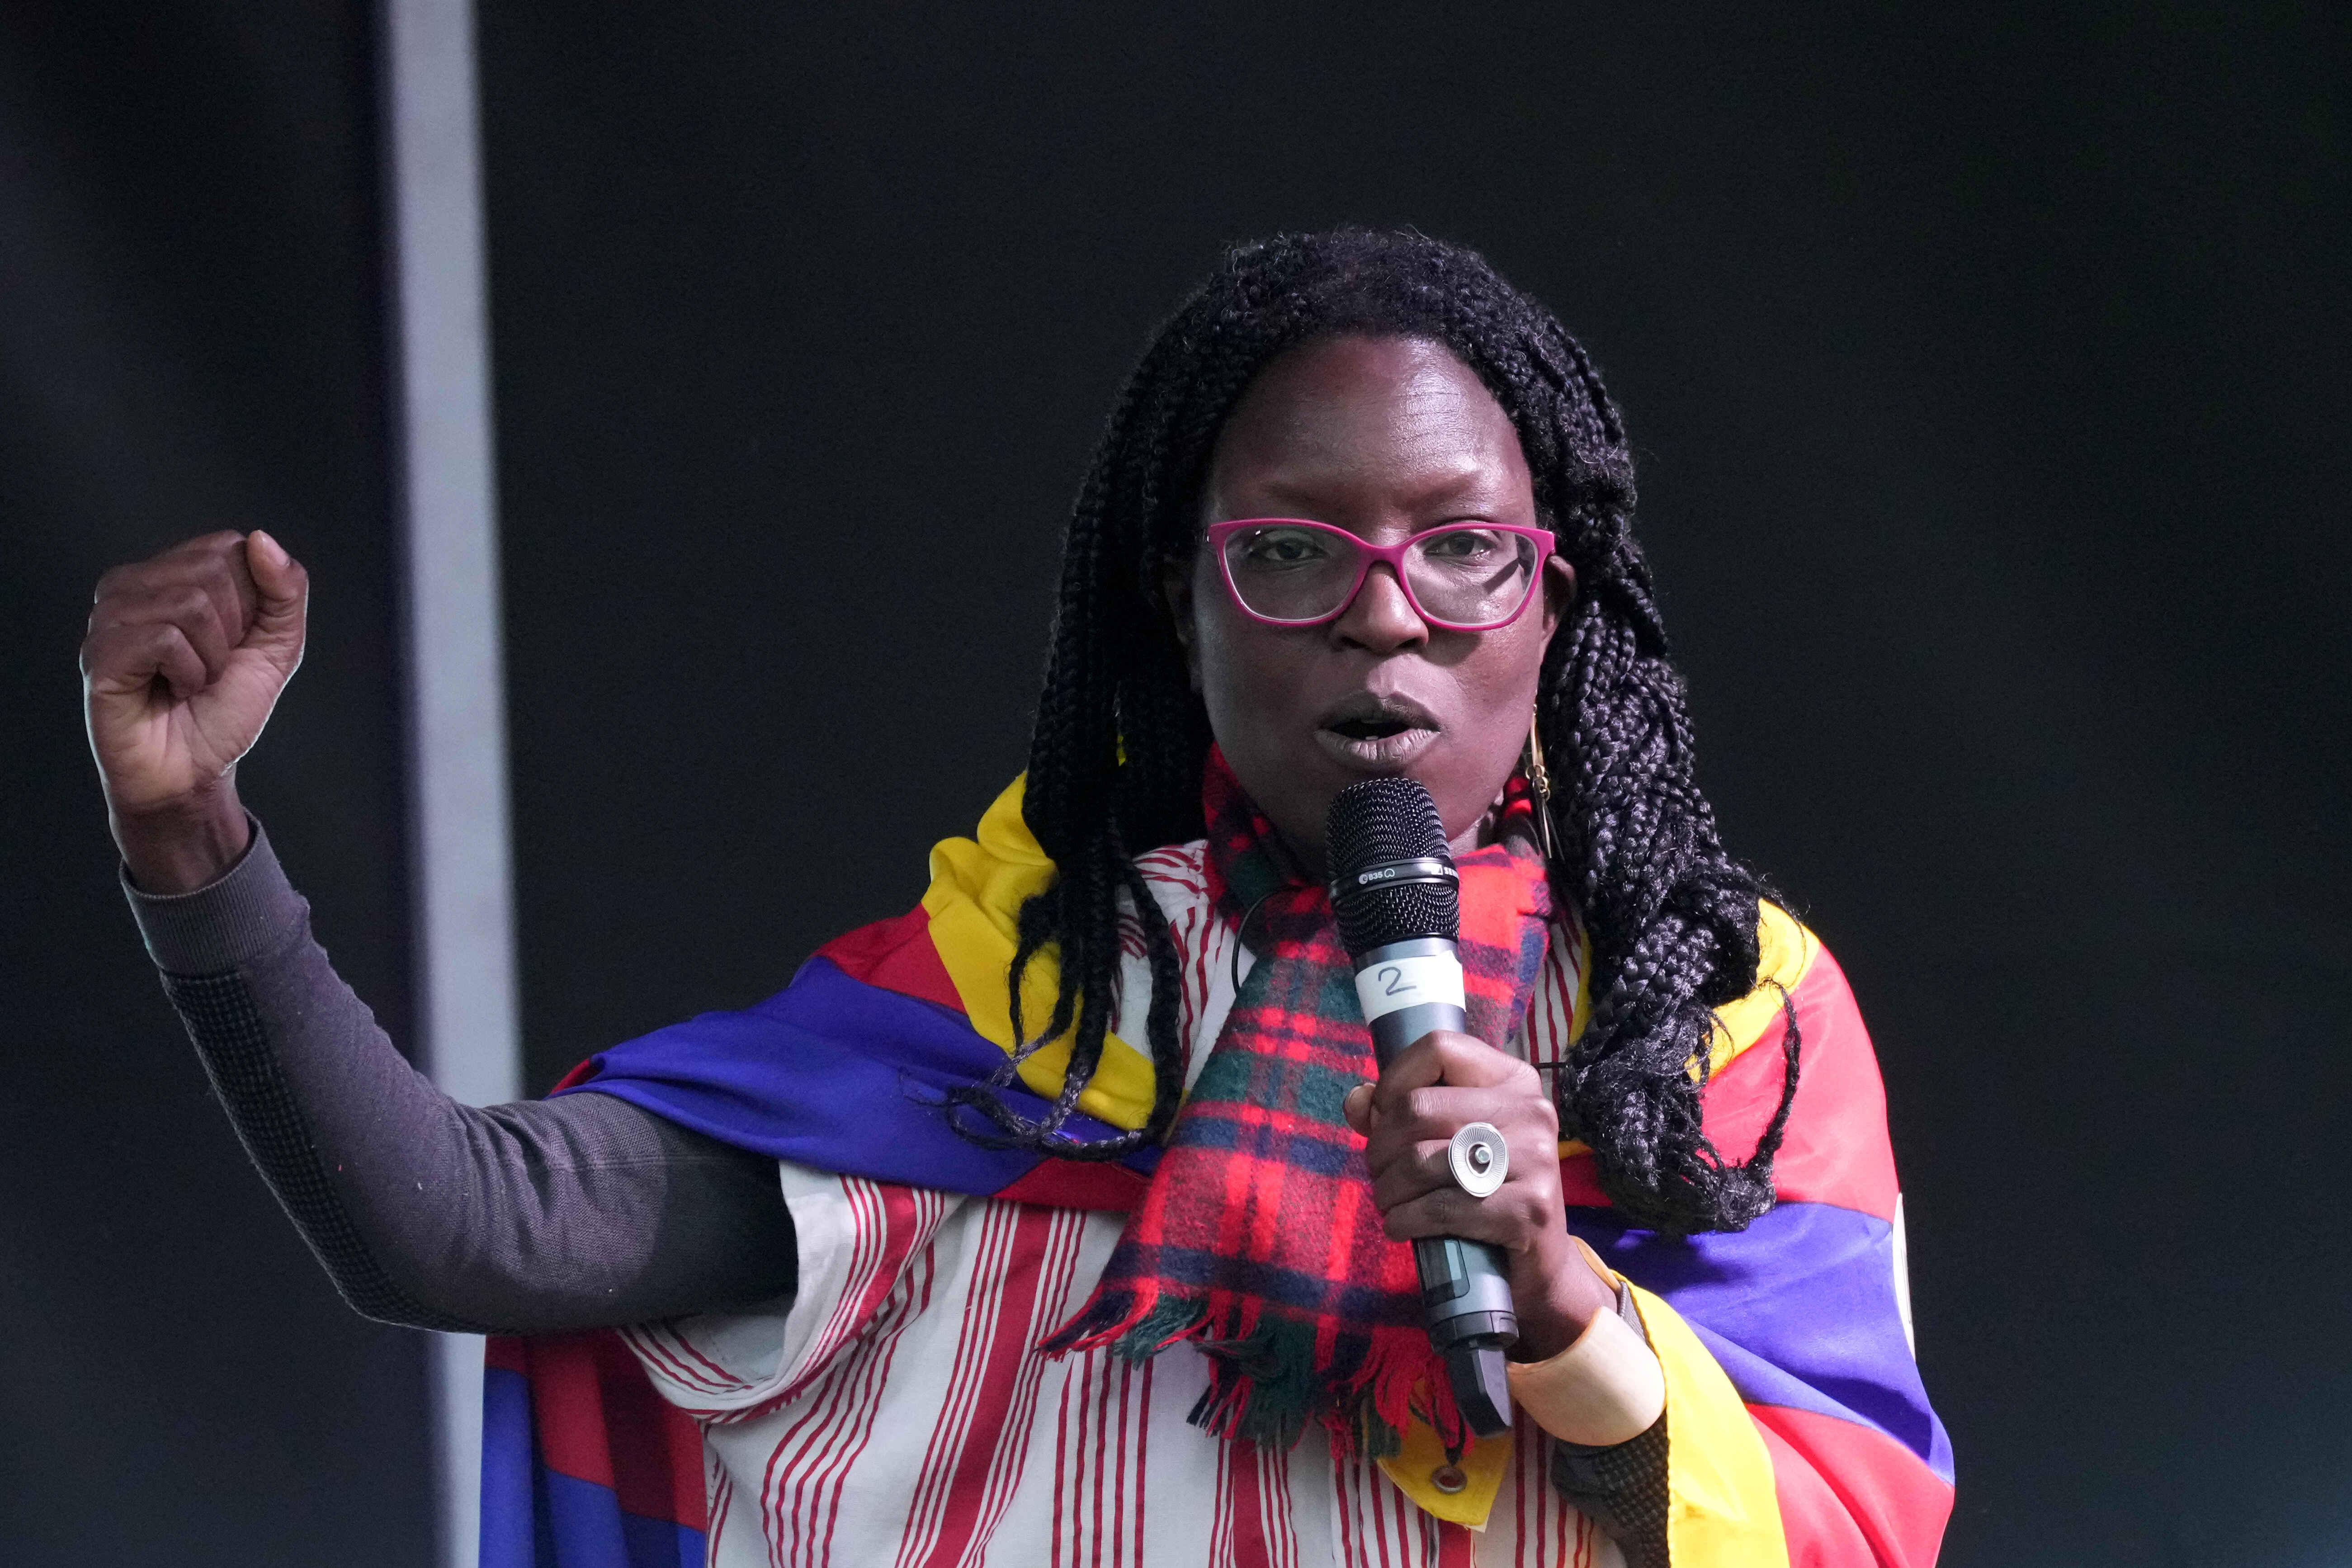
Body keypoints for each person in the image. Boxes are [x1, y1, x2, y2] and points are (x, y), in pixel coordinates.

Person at [84, 229, 1950, 1566]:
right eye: (1290, 551)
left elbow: (1837, 1529)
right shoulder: (996, 997)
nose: (1388, 612)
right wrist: (189, 840)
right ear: (1177, 598)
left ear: (1553, 596)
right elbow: (453, 1230)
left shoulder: (1707, 1024)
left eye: (1462, 549)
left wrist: (1554, 1296)